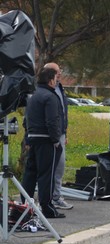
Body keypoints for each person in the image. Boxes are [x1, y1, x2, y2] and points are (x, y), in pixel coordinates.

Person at [21, 67, 65, 218]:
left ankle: (25, 205)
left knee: (30, 173)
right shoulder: (50, 96)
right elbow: (52, 120)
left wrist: (28, 137)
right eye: (56, 78)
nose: (57, 81)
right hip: (47, 140)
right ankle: (47, 208)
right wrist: (55, 140)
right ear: (51, 80)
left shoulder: (34, 96)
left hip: (33, 138)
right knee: (47, 175)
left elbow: (26, 120)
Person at [45, 62, 73, 210]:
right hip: (49, 135)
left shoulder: (60, 88)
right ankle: (49, 198)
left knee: (60, 166)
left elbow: (63, 113)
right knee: (49, 167)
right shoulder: (46, 91)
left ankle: (56, 196)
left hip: (60, 133)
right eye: (57, 71)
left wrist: (65, 133)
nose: (60, 73)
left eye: (60, 70)